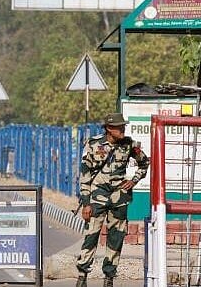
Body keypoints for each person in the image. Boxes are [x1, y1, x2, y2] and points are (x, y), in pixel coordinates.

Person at [75, 113, 149, 287]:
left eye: (123, 126)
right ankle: (82, 276)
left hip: (119, 198)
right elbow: (85, 176)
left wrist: (134, 180)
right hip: (97, 197)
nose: (122, 129)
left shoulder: (129, 144)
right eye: (119, 126)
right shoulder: (93, 145)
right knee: (91, 237)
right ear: (109, 128)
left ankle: (109, 277)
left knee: (116, 238)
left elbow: (144, 163)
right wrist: (86, 203)